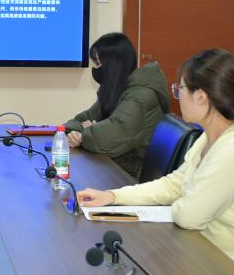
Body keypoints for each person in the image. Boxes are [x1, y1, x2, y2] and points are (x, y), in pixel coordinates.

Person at [77, 48, 234, 264]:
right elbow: (174, 185)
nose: (177, 97)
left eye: (179, 89)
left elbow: (189, 216)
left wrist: (184, 199)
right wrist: (112, 197)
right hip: (214, 252)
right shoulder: (208, 137)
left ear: (200, 97)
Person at [63, 33, 170, 177]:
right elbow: (80, 119)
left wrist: (85, 132)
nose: (96, 70)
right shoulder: (115, 90)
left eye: (98, 64)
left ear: (113, 65)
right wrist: (80, 129)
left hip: (132, 173)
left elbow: (111, 136)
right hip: (116, 164)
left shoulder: (140, 96)